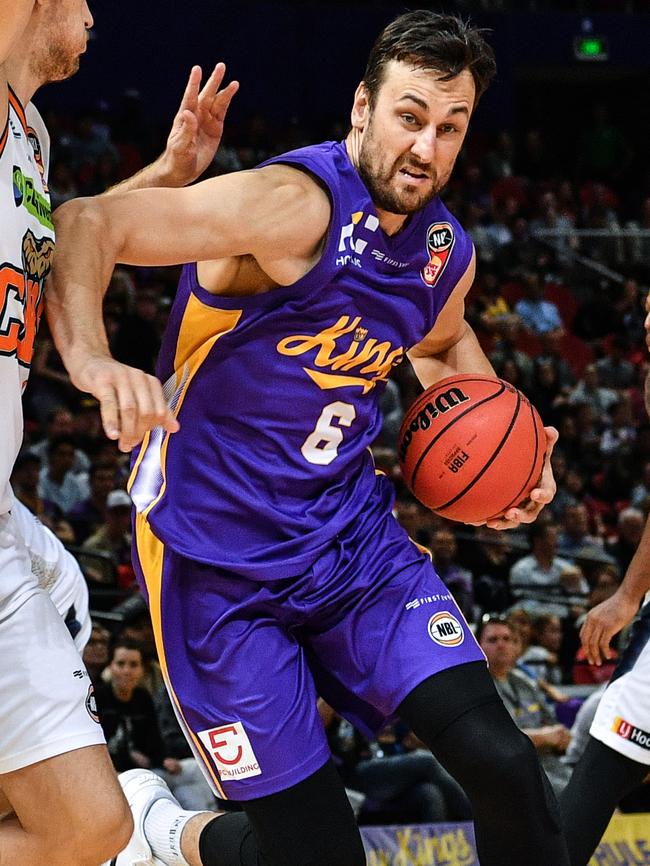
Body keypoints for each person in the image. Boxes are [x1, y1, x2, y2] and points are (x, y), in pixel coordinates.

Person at [51, 12, 569, 866]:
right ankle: (166, 831)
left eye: (451, 128)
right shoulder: (290, 206)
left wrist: (513, 456)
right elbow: (84, 227)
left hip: (349, 543)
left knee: (508, 766)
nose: (427, 149)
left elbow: (439, 343)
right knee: (319, 856)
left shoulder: (442, 250)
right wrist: (92, 359)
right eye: (410, 117)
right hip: (215, 561)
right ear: (361, 107)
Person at [0, 0, 239, 859]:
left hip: (4, 515)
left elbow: (53, 254)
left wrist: (167, 174)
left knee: (86, 823)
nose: (95, 14)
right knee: (95, 825)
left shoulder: (26, 135)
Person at [478, 615, 572, 795]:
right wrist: (543, 737)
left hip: (545, 760)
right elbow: (497, 741)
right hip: (507, 769)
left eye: (507, 639)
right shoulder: (476, 687)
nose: (501, 645)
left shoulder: (526, 683)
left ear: (517, 646)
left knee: (592, 790)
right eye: (493, 640)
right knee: (569, 796)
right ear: (478, 647)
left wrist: (561, 735)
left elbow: (550, 722)